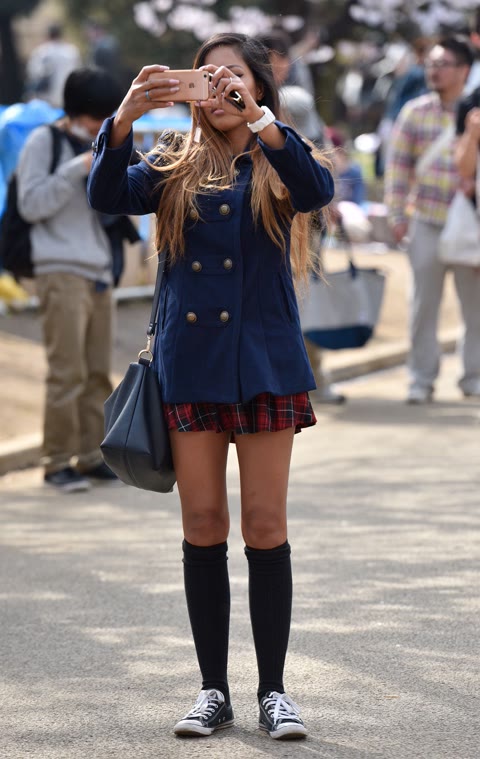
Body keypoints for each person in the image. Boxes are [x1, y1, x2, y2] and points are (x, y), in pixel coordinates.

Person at [87, 33, 334, 738]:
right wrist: (125, 117)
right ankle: (212, 690)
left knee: (265, 524)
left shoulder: (278, 155)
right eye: (207, 75)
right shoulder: (172, 160)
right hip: (191, 363)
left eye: (233, 76)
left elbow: (317, 191)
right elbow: (106, 195)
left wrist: (261, 121)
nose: (219, 87)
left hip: (263, 365)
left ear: (257, 86)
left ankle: (274, 691)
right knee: (202, 525)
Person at [16, 67, 127, 492]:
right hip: (59, 269)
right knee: (67, 372)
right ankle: (56, 461)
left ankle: (91, 456)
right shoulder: (44, 141)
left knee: (98, 372)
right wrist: (75, 169)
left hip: (98, 270)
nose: (100, 124)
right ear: (77, 112)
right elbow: (30, 204)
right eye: (96, 116)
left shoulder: (104, 142)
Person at [385, 36, 480, 404]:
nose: (434, 71)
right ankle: (421, 379)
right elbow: (397, 166)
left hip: (470, 223)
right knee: (423, 305)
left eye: (443, 64)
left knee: (475, 306)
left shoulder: (475, 110)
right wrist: (397, 214)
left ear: (464, 70)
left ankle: (473, 377)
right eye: (431, 64)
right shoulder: (414, 112)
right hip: (425, 219)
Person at [257, 30, 346, 404]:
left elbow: (314, 156)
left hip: (298, 215)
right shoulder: (262, 101)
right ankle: (302, 378)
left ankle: (311, 374)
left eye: (278, 58)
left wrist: (328, 201)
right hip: (274, 214)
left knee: (304, 295)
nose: (276, 66)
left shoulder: (293, 100)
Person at [25, 23, 82, 108]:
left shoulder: (42, 52)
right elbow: (79, 73)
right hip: (69, 96)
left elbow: (33, 73)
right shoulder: (71, 51)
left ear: (48, 35)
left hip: (47, 99)